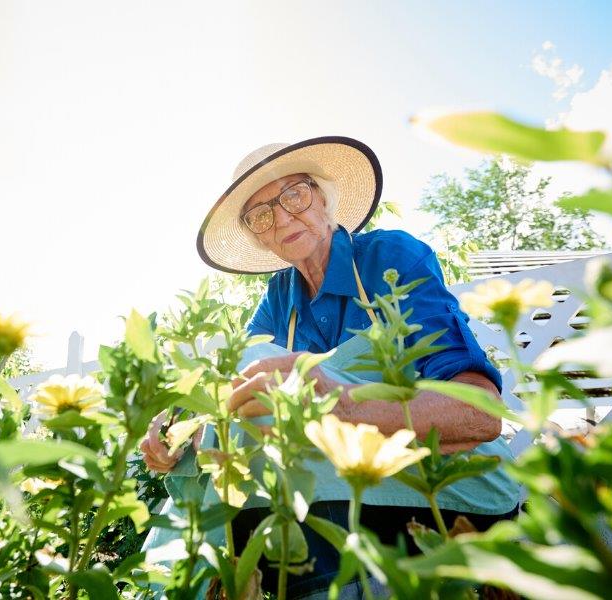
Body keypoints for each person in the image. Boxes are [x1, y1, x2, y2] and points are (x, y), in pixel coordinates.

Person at [141, 136, 520, 598]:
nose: (281, 217)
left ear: (324, 197)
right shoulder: (281, 298)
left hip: (447, 480)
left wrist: (340, 405)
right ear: (258, 236)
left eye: (293, 194)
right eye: (261, 214)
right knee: (245, 388)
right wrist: (181, 428)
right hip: (346, 489)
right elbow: (237, 389)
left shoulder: (391, 257)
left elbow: (482, 414)